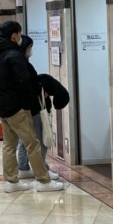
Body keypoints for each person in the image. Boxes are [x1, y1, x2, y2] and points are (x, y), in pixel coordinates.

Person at [0, 20, 65, 193]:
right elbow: (24, 84)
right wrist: (26, 106)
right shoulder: (15, 56)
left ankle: (11, 182)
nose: (20, 37)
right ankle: (44, 181)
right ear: (13, 35)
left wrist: (1, 103)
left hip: (3, 109)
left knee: (9, 145)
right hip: (18, 110)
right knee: (33, 144)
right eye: (19, 34)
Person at [16, 36, 70, 178]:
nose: (31, 50)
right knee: (41, 139)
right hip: (34, 109)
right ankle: (41, 170)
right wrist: (40, 90)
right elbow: (29, 86)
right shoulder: (24, 65)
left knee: (25, 140)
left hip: (21, 109)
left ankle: (23, 168)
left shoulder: (16, 63)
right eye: (30, 48)